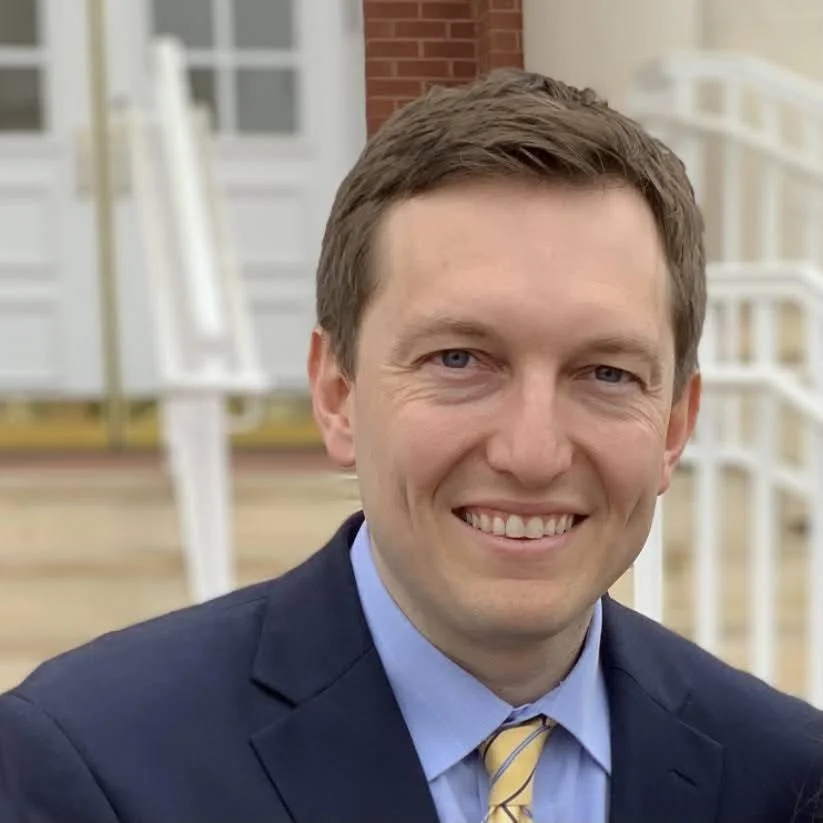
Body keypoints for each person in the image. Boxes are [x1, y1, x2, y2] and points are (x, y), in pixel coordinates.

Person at [1, 69, 822, 823]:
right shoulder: (95, 767)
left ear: (675, 425)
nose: (532, 453)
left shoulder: (784, 778)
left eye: (604, 372)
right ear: (336, 394)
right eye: (459, 360)